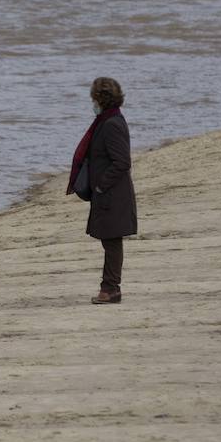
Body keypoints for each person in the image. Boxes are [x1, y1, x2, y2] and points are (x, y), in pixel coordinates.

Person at [67, 77, 137, 304]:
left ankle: (110, 289)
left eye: (93, 98)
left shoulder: (111, 124)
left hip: (112, 194)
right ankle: (110, 288)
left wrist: (100, 185)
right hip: (108, 194)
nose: (92, 103)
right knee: (110, 241)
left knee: (112, 241)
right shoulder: (107, 120)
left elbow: (122, 161)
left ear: (101, 99)